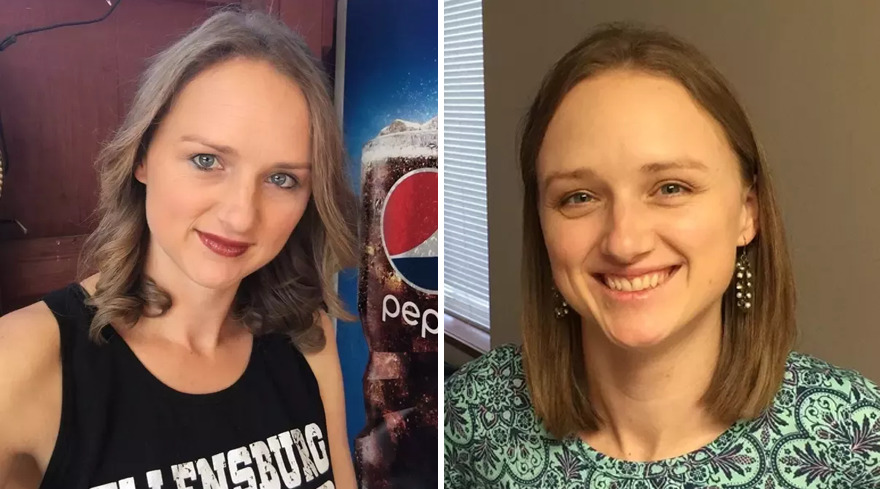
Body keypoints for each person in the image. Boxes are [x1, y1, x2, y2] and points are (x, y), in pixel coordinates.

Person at [445, 23, 880, 488]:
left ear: (746, 213)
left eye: (671, 187)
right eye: (579, 197)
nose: (624, 242)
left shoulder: (857, 444)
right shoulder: (471, 415)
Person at [0, 9, 358, 489]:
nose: (240, 215)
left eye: (281, 179)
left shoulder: (307, 337)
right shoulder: (20, 361)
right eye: (206, 160)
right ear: (142, 155)